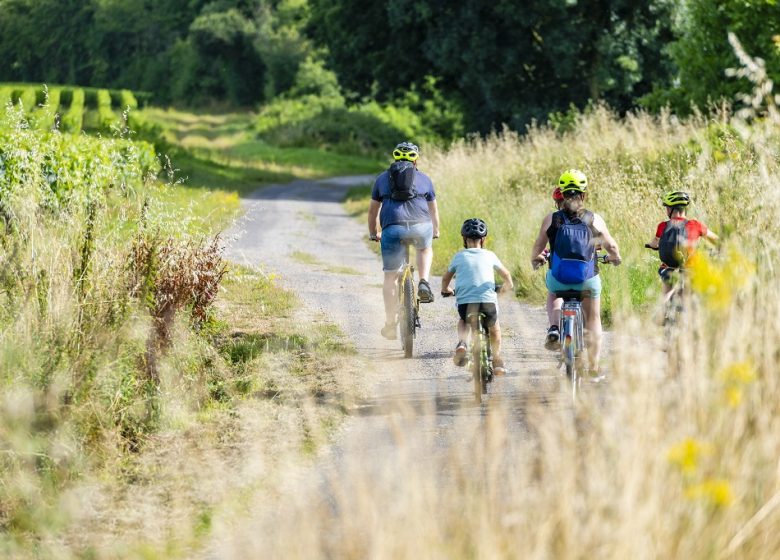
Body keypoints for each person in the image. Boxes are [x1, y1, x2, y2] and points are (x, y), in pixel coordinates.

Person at [530, 169, 622, 376]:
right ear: (584, 194)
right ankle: (594, 368)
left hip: (559, 278)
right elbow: (612, 247)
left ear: (561, 194)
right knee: (594, 318)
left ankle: (554, 327)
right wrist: (615, 258)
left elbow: (538, 247)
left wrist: (535, 260)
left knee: (553, 293)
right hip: (587, 280)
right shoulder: (594, 219)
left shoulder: (551, 219)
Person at [368, 141, 440, 340]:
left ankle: (390, 324)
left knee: (390, 278)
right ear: (416, 159)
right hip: (420, 227)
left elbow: (373, 210)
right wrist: (435, 230)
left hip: (392, 229)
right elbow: (433, 209)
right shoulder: (424, 178)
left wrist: (374, 232)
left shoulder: (382, 179)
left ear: (395, 157)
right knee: (424, 249)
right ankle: (424, 282)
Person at [441, 218, 514, 375]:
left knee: (463, 320)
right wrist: (508, 286)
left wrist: (446, 289)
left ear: (464, 239)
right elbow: (506, 274)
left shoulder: (459, 256)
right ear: (483, 239)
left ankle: (462, 343)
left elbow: (446, 278)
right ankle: (497, 360)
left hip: (465, 305)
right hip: (488, 303)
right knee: (495, 327)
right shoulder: (490, 255)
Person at [645, 190, 718, 299]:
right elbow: (715, 239)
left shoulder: (663, 226)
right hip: (691, 268)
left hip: (668, 267)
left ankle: (663, 308)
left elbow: (655, 243)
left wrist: (650, 245)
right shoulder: (695, 224)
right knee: (690, 294)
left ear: (670, 209)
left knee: (666, 291)